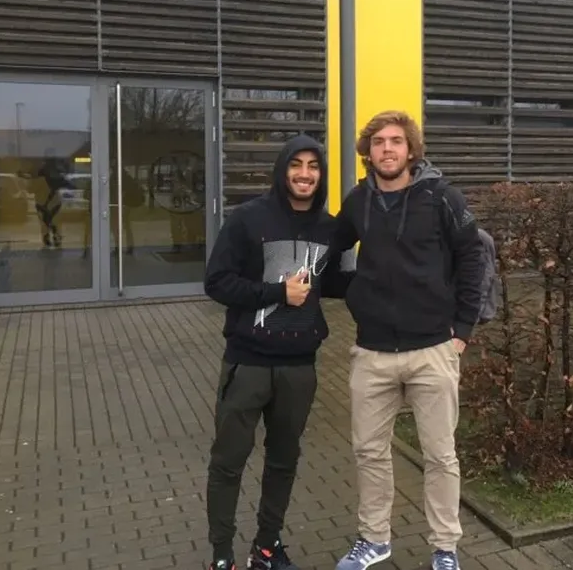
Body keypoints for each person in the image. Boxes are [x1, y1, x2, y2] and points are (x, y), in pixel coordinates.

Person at [330, 111, 485, 570]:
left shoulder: (441, 197)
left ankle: (445, 548)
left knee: (440, 455)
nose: (387, 149)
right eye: (378, 142)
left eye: (396, 141)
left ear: (411, 149)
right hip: (372, 352)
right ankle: (374, 539)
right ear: (368, 151)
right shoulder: (358, 200)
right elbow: (331, 247)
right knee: (368, 451)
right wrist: (354, 292)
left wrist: (462, 331)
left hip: (433, 349)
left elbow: (472, 257)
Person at [203, 134, 350, 570]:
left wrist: (385, 281)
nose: (305, 174)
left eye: (313, 166)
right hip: (248, 362)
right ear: (283, 169)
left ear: (321, 175)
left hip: (299, 366)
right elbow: (217, 282)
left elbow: (333, 283)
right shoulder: (249, 219)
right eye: (296, 164)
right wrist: (277, 293)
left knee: (284, 461)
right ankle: (222, 555)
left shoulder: (329, 228)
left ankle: (266, 548)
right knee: (228, 462)